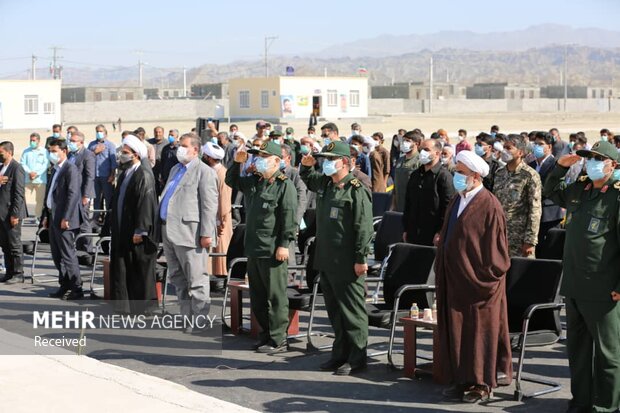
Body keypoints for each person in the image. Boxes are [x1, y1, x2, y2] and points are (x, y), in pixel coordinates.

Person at [543, 140, 620, 413]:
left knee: (608, 356)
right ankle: (581, 402)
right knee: (578, 351)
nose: (593, 163)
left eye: (599, 159)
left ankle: (607, 407)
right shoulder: (580, 189)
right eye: (589, 158)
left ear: (614, 165)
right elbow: (550, 191)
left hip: (603, 288)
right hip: (574, 285)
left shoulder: (617, 196)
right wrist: (560, 168)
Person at [435, 150, 512, 403]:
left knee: (480, 335)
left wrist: (485, 278)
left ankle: (481, 383)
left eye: (461, 173)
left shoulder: (489, 204)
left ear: (476, 176)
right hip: (455, 281)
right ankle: (461, 378)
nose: (456, 176)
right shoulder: (457, 200)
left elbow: (498, 253)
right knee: (458, 333)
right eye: (456, 171)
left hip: (480, 286)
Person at [299, 140, 373, 376]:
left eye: (331, 160)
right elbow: (309, 179)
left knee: (352, 311)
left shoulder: (356, 189)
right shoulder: (326, 184)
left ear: (345, 162)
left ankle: (357, 357)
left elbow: (363, 227)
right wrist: (308, 166)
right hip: (327, 258)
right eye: (325, 160)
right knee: (334, 310)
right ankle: (339, 353)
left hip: (347, 260)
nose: (327, 164)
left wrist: (361, 258)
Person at [225, 140, 297, 353]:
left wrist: (284, 244)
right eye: (257, 156)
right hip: (254, 247)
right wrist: (237, 163)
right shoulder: (256, 182)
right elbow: (233, 181)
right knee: (257, 296)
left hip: (273, 249)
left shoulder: (284, 185)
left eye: (263, 157)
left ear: (276, 161)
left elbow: (289, 217)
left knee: (275, 296)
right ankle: (266, 334)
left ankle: (278, 339)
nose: (259, 160)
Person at [160, 133, 218, 333]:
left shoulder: (204, 171)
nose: (180, 149)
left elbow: (210, 205)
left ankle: (200, 319)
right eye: (179, 145)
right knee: (177, 278)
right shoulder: (176, 169)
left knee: (196, 279)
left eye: (184, 146)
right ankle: (186, 318)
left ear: (196, 150)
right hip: (169, 230)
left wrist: (206, 233)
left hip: (191, 233)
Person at [110, 135, 158, 314]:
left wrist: (141, 230)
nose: (122, 155)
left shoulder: (143, 175)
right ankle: (124, 307)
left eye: (125, 152)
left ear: (136, 155)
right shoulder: (125, 174)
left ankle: (144, 308)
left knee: (139, 270)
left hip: (137, 232)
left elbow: (146, 204)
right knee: (123, 268)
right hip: (123, 230)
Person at [43, 139, 83, 300]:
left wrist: (66, 217)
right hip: (53, 216)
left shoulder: (70, 169)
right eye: (50, 151)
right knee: (57, 254)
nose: (51, 154)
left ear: (64, 151)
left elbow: (73, 195)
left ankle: (77, 287)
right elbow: (50, 193)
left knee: (68, 254)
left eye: (54, 151)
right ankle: (64, 284)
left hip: (65, 219)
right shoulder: (55, 169)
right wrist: (46, 215)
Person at [493, 134, 542, 257]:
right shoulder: (499, 173)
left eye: (509, 148)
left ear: (520, 152)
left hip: (519, 238)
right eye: (504, 147)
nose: (504, 151)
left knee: (521, 273)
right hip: (499, 236)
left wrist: (530, 241)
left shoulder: (529, 175)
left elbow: (535, 210)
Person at [403, 139, 455, 246]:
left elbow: (447, 208)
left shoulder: (444, 177)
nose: (422, 153)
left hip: (432, 236)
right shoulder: (415, 175)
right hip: (413, 233)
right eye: (422, 149)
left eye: (426, 150)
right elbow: (408, 204)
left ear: (437, 153)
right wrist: (406, 229)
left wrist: (440, 232)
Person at [201, 142, 233, 278]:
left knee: (220, 249)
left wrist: (221, 221)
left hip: (220, 219)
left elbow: (224, 201)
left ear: (209, 158)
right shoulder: (211, 172)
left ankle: (221, 278)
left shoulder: (222, 174)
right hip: (211, 218)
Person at [529, 131, 564, 251]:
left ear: (549, 147)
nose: (537, 147)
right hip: (532, 215)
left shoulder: (556, 165)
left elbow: (551, 187)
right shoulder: (530, 165)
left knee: (550, 249)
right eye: (535, 144)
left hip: (550, 214)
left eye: (540, 144)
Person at [0, 142, 26, 283]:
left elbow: (18, 193)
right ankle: (9, 271)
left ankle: (18, 273)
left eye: (1, 152)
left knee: (14, 244)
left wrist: (15, 214)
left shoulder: (16, 168)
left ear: (9, 152)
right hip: (1, 213)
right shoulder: (1, 168)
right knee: (5, 244)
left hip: (11, 214)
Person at [67, 131, 95, 252]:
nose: (71, 143)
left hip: (82, 194)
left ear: (81, 142)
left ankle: (87, 250)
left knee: (84, 223)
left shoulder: (87, 155)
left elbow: (90, 176)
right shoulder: (70, 155)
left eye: (74, 141)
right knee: (75, 222)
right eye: (70, 141)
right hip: (72, 193)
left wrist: (86, 195)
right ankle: (79, 250)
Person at [88, 124, 117, 220]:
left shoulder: (110, 145)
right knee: (96, 199)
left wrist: (112, 175)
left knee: (108, 198)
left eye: (101, 131)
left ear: (105, 133)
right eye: (97, 131)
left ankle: (109, 219)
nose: (99, 133)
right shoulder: (92, 145)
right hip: (94, 176)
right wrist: (95, 152)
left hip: (106, 176)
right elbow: (87, 159)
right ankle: (96, 218)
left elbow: (113, 162)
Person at [391, 130, 422, 212]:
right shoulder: (400, 160)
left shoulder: (420, 161)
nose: (404, 143)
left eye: (408, 141)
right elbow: (396, 185)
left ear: (417, 144)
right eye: (403, 141)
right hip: (398, 205)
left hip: (412, 207)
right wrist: (393, 205)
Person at [20, 133, 49, 217]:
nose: (32, 142)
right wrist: (29, 172)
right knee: (23, 198)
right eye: (31, 140)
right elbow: (22, 163)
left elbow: (46, 164)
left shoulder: (44, 151)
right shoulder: (26, 151)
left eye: (34, 140)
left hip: (40, 180)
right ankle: (22, 215)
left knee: (39, 200)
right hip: (28, 179)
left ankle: (38, 217)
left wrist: (37, 174)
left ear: (38, 141)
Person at [148, 126, 168, 195]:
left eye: (159, 132)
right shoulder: (149, 143)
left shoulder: (167, 143)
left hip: (162, 171)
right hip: (151, 170)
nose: (158, 134)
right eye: (156, 132)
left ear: (163, 133)